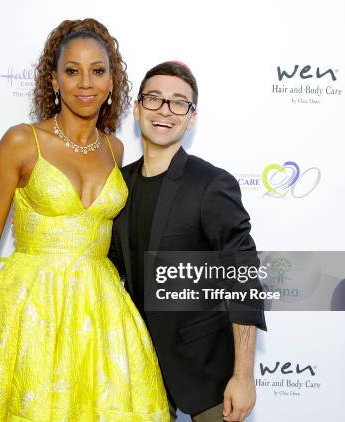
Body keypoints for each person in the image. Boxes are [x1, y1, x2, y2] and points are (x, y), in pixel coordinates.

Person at [0, 19, 169, 421]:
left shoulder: (115, 150)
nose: (85, 83)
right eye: (72, 70)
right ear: (54, 81)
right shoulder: (21, 141)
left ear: (112, 81)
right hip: (29, 308)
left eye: (97, 71)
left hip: (99, 312)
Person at [109, 62, 267, 422]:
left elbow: (242, 279)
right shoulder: (117, 186)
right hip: (136, 371)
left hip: (206, 374)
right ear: (136, 109)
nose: (165, 111)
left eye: (179, 103)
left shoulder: (211, 184)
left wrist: (243, 377)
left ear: (191, 117)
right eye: (154, 99)